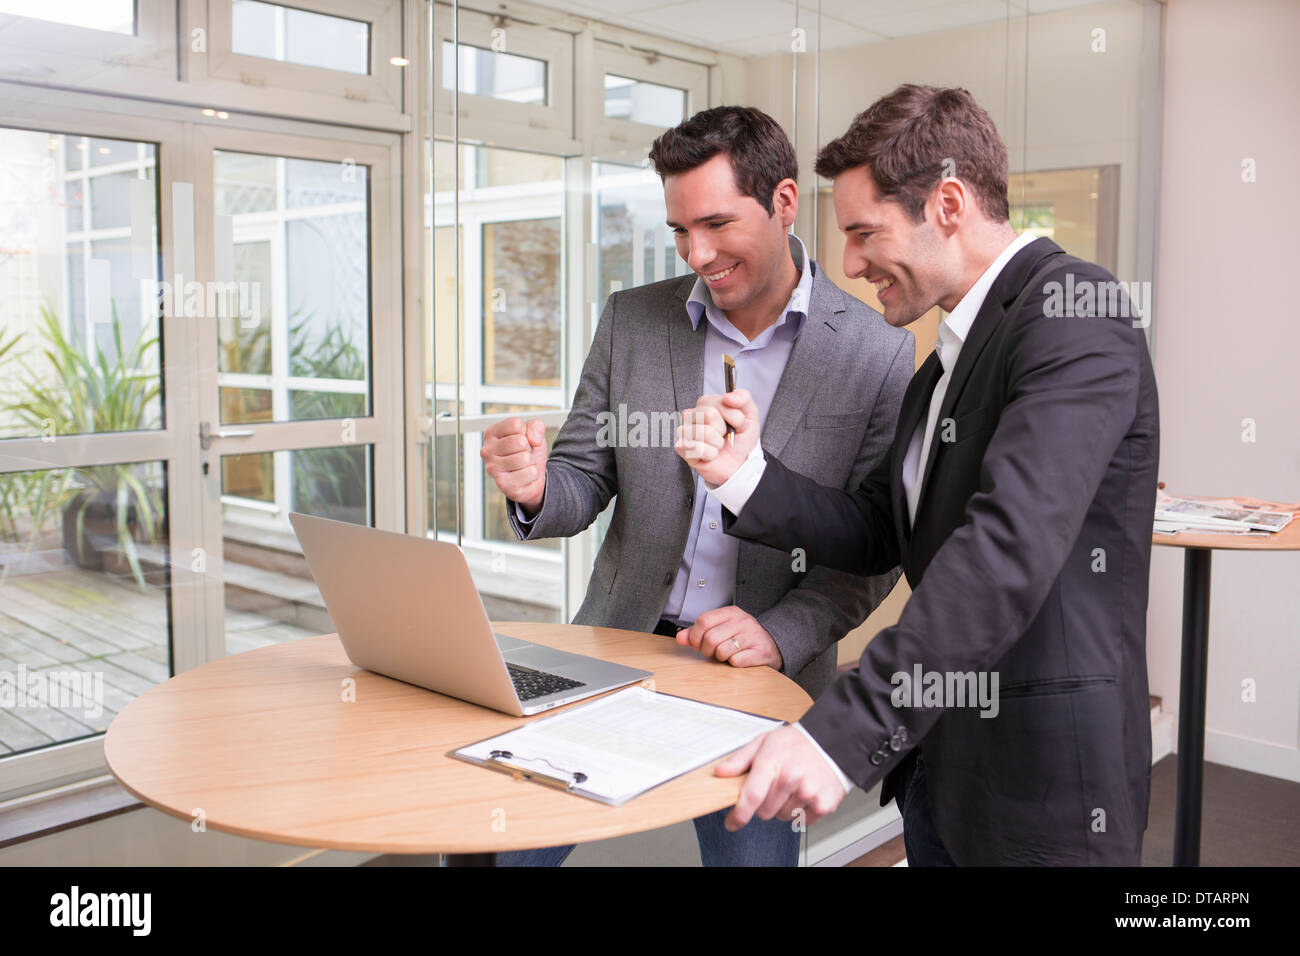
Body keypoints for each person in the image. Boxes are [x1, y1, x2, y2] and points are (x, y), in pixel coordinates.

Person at [676, 85, 1160, 866]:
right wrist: (745, 477)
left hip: (1043, 786)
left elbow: (1005, 551)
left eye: (864, 232)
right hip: (939, 771)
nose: (849, 264)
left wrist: (838, 736)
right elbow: (878, 531)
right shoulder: (941, 364)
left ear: (948, 203)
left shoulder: (1075, 310)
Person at [481, 105, 913, 866]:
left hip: (761, 676)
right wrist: (534, 487)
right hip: (615, 645)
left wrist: (783, 633)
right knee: (514, 848)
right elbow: (585, 475)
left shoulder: (876, 355)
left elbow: (874, 547)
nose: (698, 252)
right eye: (681, 231)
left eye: (715, 223)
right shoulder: (632, 320)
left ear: (783, 203)